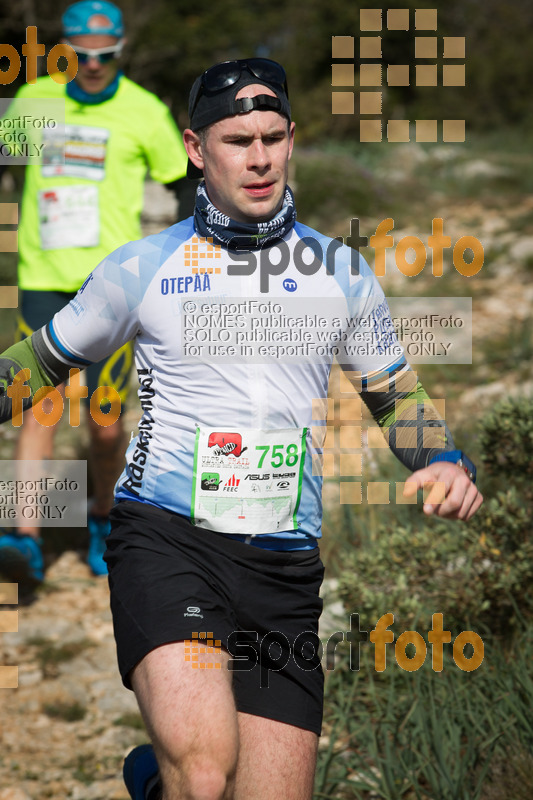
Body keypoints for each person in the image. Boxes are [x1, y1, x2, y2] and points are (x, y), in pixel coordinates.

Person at [0, 58, 483, 800]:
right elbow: (40, 361)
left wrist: (443, 460)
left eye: (271, 137)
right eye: (236, 140)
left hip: (282, 564)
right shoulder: (142, 268)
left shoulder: (340, 272)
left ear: (291, 139)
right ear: (196, 149)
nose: (257, 159)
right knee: (204, 773)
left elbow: (393, 393)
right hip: (166, 537)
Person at [0, 0, 194, 584]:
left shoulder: (142, 110)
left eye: (103, 56)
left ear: (120, 50)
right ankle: (23, 539)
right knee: (36, 410)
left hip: (113, 289)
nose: (92, 66)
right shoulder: (32, 101)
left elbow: (185, 183)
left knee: (105, 422)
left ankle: (102, 518)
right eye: (81, 55)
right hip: (40, 279)